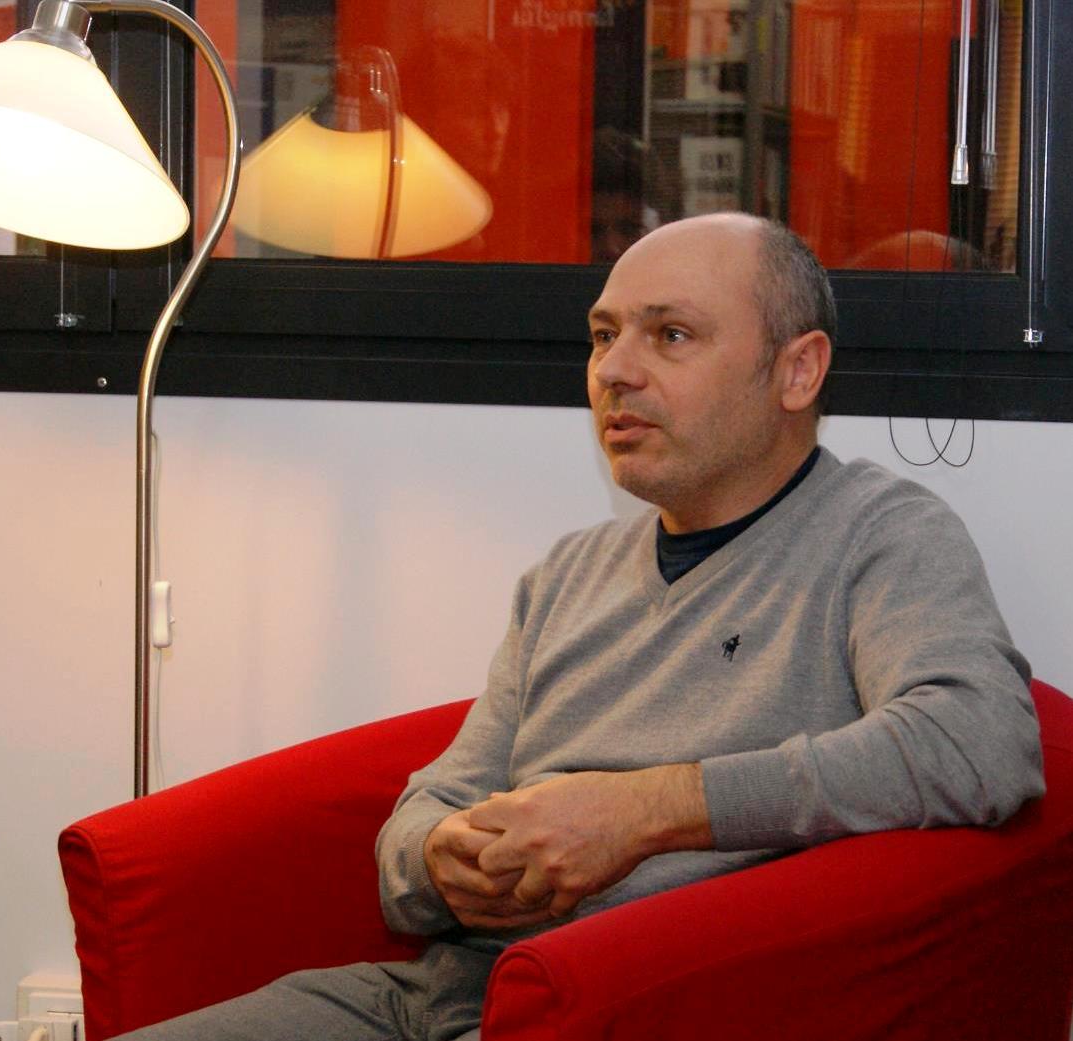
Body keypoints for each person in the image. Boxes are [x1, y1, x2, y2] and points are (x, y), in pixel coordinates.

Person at [115, 213, 1045, 1041]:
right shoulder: (567, 573)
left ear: (797, 370)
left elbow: (981, 742)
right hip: (435, 993)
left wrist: (646, 812)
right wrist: (440, 857)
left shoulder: (881, 536)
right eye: (603, 336)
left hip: (634, 1002)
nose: (614, 371)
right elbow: (428, 812)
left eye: (670, 335)